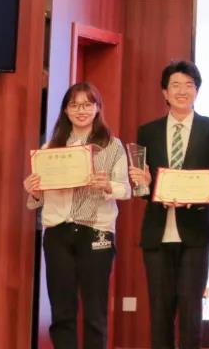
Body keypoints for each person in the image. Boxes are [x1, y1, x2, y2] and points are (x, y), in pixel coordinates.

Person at [128, 59, 209, 349]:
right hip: (158, 230)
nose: (182, 91)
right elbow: (142, 188)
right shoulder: (148, 131)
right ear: (164, 92)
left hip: (196, 229)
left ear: (197, 91)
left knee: (190, 308)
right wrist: (144, 183)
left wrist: (194, 197)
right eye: (175, 85)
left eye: (189, 85)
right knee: (160, 309)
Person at [23, 82, 130, 349]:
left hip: (96, 231)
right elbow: (38, 200)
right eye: (74, 105)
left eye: (87, 104)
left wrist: (107, 185)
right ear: (66, 111)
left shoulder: (112, 146)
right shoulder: (50, 148)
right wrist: (34, 191)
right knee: (62, 311)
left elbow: (126, 189)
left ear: (97, 108)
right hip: (58, 232)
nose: (81, 110)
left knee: (95, 311)